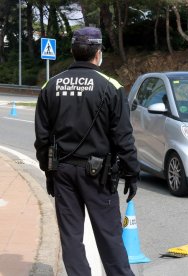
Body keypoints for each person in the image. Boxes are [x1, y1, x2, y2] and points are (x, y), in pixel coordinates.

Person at [34, 27, 139, 276]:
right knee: (109, 236)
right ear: (98, 53)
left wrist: (49, 172)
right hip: (99, 174)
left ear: (73, 51)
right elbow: (123, 137)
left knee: (71, 237)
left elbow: (42, 139)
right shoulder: (110, 86)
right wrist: (132, 173)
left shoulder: (51, 85)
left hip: (62, 171)